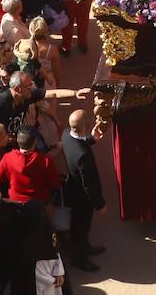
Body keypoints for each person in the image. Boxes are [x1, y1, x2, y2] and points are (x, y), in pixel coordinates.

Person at [59, 109, 104, 273]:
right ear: (87, 125)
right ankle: (79, 258)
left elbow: (78, 142)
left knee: (80, 226)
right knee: (80, 227)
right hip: (82, 198)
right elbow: (89, 184)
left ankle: (85, 246)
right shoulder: (83, 156)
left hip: (72, 191)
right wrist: (100, 204)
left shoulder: (66, 134)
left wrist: (91, 139)